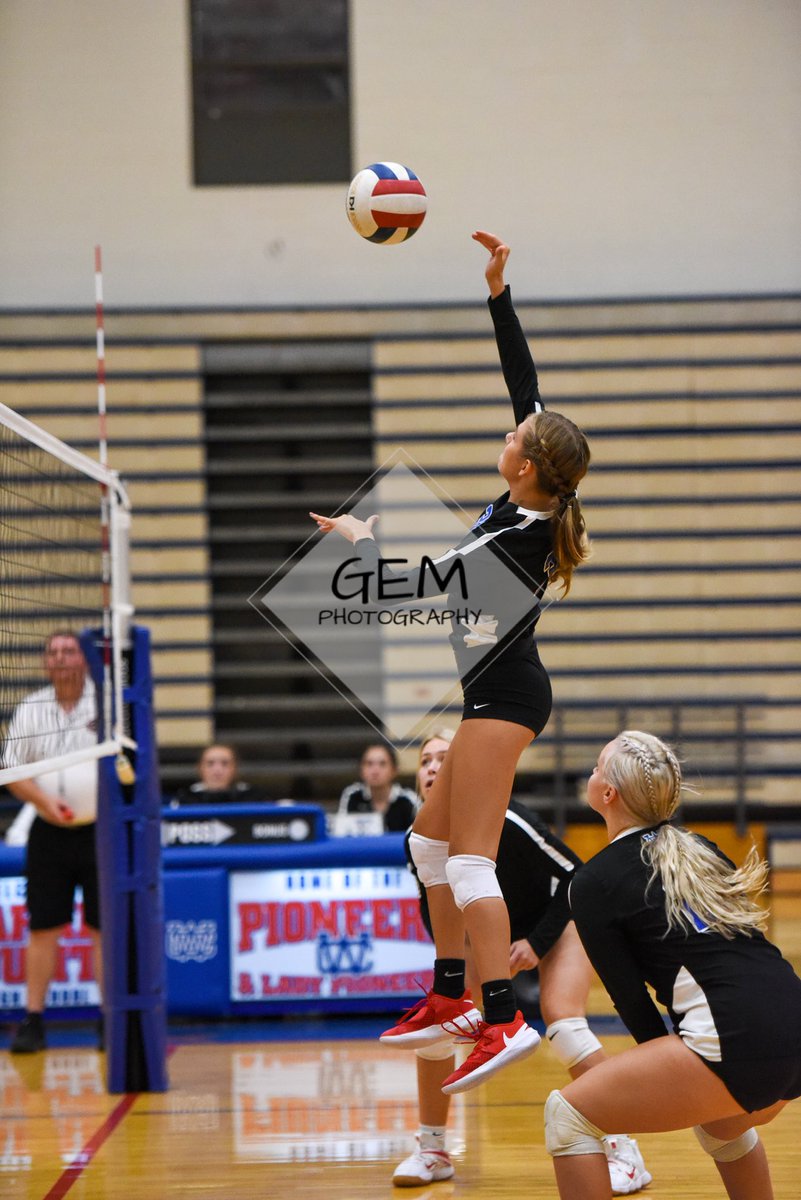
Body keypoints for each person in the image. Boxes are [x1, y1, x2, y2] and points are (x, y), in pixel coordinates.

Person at [311, 230, 591, 1091]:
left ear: (531, 464)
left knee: (469, 858)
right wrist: (498, 294)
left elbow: (428, 582)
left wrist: (359, 540)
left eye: (519, 433)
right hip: (491, 693)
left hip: (504, 700)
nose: (509, 427)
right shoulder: (525, 495)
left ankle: (503, 1015)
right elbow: (525, 385)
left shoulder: (523, 537)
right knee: (426, 847)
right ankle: (447, 995)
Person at [392, 730, 651, 1195]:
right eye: (425, 761)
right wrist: (472, 964)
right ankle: (433, 1149)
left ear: (464, 769)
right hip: (486, 941)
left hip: (554, 922)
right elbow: (434, 907)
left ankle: (623, 1148)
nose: (433, 766)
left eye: (445, 758)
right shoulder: (419, 838)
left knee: (564, 1022)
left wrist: (535, 941)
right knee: (440, 1020)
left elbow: (576, 872)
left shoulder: (508, 818)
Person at [546, 730, 801, 1200]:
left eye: (598, 766)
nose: (591, 772)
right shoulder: (702, 848)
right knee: (721, 1122)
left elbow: (633, 1005)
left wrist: (668, 1083)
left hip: (737, 1040)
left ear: (608, 794)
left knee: (566, 1115)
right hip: (794, 1026)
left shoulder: (592, 882)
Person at [2, 630, 102, 1054]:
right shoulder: (32, 707)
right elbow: (10, 771)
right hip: (49, 831)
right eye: (53, 652)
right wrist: (44, 801)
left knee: (103, 928)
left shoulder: (107, 705)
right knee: (43, 928)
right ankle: (34, 1020)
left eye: (69, 650)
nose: (60, 658)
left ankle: (107, 1018)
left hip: (101, 832)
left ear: (84, 660)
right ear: (45, 662)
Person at [337, 742, 418, 832]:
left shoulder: (408, 799)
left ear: (394, 770)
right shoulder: (352, 795)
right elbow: (341, 833)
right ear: (361, 770)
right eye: (369, 764)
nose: (375, 770)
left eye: (382, 764)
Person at [171, 743, 264, 806]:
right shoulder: (185, 798)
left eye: (225, 763)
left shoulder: (253, 797)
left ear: (235, 768)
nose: (217, 770)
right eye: (210, 763)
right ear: (200, 768)